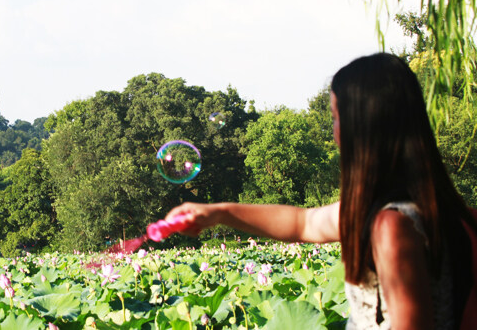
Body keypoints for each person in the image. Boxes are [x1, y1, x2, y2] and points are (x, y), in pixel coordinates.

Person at [165, 53, 477, 330]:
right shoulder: (446, 213)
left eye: (336, 118)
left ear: (361, 128)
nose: (333, 131)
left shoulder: (392, 227)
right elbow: (303, 223)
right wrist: (218, 213)